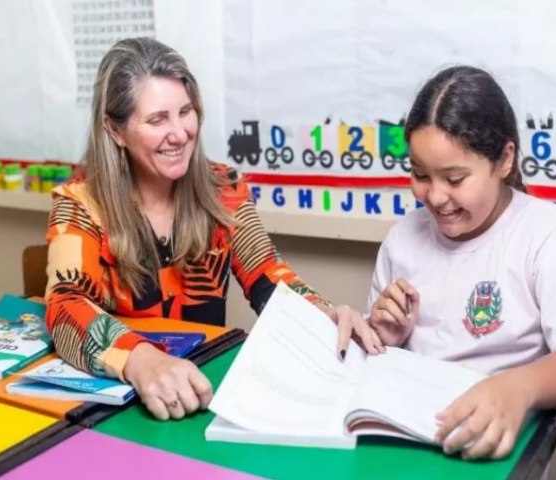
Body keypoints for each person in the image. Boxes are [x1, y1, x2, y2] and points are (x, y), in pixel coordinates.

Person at [44, 37, 383, 421]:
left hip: (202, 394)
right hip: (127, 401)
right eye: (157, 119)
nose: (180, 133)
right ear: (115, 130)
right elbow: (65, 306)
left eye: (185, 112)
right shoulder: (79, 204)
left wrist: (323, 314)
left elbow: (268, 275)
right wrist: (141, 361)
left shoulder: (224, 189)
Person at [350, 66, 556, 460]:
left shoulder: (549, 236)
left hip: (491, 449)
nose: (436, 196)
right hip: (408, 437)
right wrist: (383, 337)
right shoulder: (402, 240)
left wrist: (517, 388)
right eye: (420, 174)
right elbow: (379, 367)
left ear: (504, 159)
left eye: (455, 179)